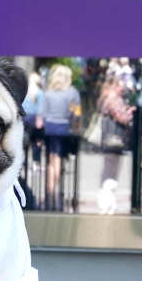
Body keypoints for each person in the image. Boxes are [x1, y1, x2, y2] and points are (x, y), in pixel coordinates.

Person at [42, 64, 81, 211]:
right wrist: (78, 127)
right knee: (57, 160)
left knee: (51, 160)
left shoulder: (48, 93)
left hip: (49, 128)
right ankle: (53, 192)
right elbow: (76, 113)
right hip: (64, 128)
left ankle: (49, 191)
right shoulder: (72, 93)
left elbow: (43, 113)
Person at [97, 76, 134, 214]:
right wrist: (131, 112)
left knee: (108, 169)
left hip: (109, 141)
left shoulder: (106, 98)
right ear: (114, 86)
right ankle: (106, 202)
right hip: (114, 140)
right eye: (121, 86)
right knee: (111, 171)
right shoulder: (112, 99)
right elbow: (123, 117)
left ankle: (106, 201)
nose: (123, 89)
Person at [21, 71, 45, 169]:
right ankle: (36, 162)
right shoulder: (39, 92)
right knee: (36, 141)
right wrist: (40, 119)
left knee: (23, 141)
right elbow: (41, 107)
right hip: (34, 118)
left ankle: (23, 162)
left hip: (24, 118)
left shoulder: (24, 91)